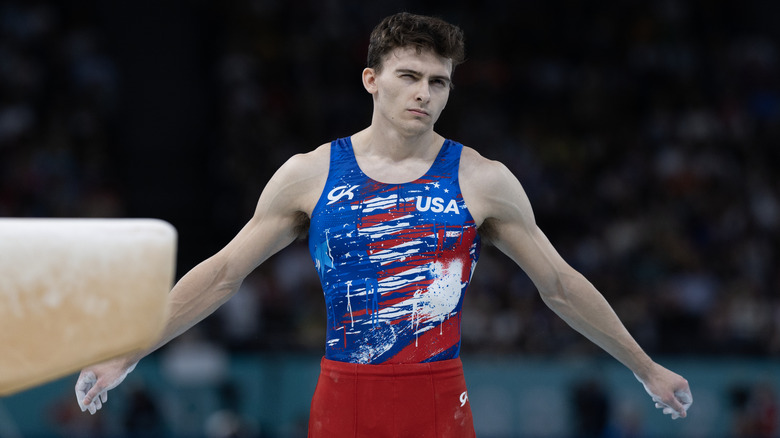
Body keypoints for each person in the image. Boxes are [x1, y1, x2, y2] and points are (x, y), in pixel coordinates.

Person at [75, 12, 692, 437]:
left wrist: (647, 368)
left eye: (438, 81)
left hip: (436, 400)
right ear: (372, 80)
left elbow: (558, 285)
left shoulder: (482, 180)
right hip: (344, 398)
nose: (424, 92)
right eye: (409, 76)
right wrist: (126, 356)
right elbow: (223, 274)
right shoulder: (310, 174)